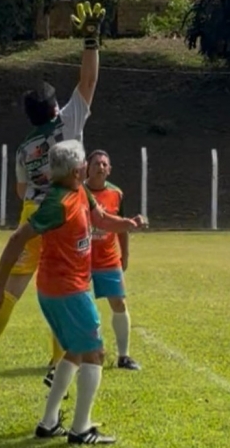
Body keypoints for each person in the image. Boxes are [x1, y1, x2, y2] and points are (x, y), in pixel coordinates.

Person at [0, 0, 107, 397]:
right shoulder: (70, 120)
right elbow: (89, 81)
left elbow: (20, 191)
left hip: (34, 212)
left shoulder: (23, 147)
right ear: (53, 107)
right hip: (65, 213)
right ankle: (54, 363)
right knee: (65, 285)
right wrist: (91, 40)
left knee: (11, 289)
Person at [0, 140, 146, 444]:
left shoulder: (79, 190)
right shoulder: (58, 203)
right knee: (95, 352)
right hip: (66, 290)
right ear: (76, 170)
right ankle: (81, 429)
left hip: (63, 288)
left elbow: (99, 218)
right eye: (85, 162)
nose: (87, 165)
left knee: (74, 350)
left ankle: (48, 422)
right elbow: (18, 237)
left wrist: (127, 223)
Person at [85, 150, 140, 370]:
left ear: (110, 169)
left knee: (119, 303)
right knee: (76, 306)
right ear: (87, 167)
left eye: (104, 164)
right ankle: (67, 355)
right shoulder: (78, 192)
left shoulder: (116, 193)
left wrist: (124, 255)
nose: (100, 167)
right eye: (96, 163)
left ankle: (123, 356)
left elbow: (122, 226)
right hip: (81, 259)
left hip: (108, 259)